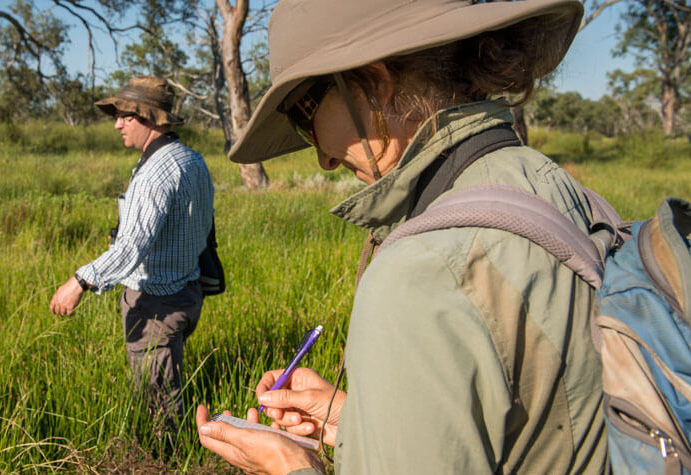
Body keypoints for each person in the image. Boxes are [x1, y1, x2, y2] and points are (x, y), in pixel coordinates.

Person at [196, 0, 608, 473]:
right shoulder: (552, 188)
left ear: (375, 83)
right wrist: (361, 424)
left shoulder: (422, 273)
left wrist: (292, 466)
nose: (323, 160)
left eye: (303, 114)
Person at [50, 75, 215, 433]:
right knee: (167, 383)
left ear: (151, 119)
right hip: (187, 293)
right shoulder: (191, 159)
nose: (117, 124)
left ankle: (166, 461)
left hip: (157, 304)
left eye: (127, 116)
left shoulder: (155, 172)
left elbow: (131, 247)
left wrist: (79, 282)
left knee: (160, 408)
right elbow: (201, 227)